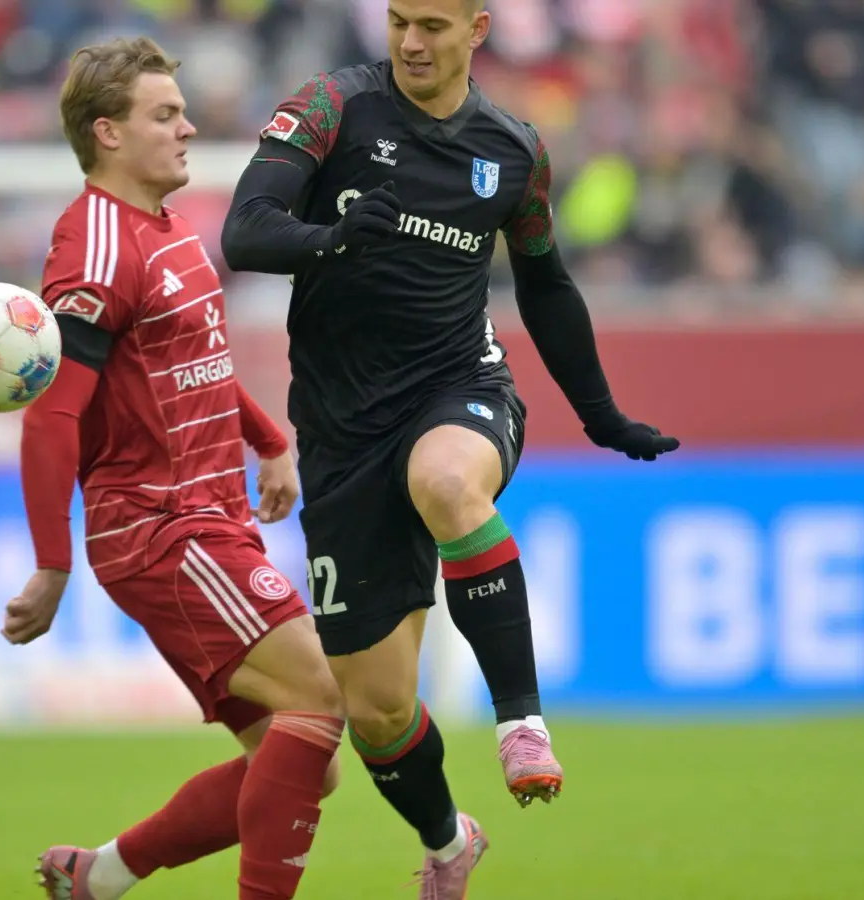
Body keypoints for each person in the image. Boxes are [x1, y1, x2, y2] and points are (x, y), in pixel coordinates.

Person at [221, 0, 679, 892]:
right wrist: (330, 239)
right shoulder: (330, 109)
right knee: (380, 712)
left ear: (478, 28)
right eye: (398, 21)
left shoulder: (514, 149)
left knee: (446, 481)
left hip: (459, 385)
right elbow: (245, 230)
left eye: (433, 23)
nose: (411, 42)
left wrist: (599, 413)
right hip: (341, 429)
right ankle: (447, 843)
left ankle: (521, 722)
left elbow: (545, 284)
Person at [4, 38, 346, 900]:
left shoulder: (168, 230)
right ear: (109, 133)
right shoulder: (94, 252)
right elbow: (51, 414)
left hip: (209, 517)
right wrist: (52, 562)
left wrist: (266, 437)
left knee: (301, 764)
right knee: (322, 702)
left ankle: (101, 876)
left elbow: (190, 363)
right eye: (166, 115)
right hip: (161, 529)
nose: (189, 127)